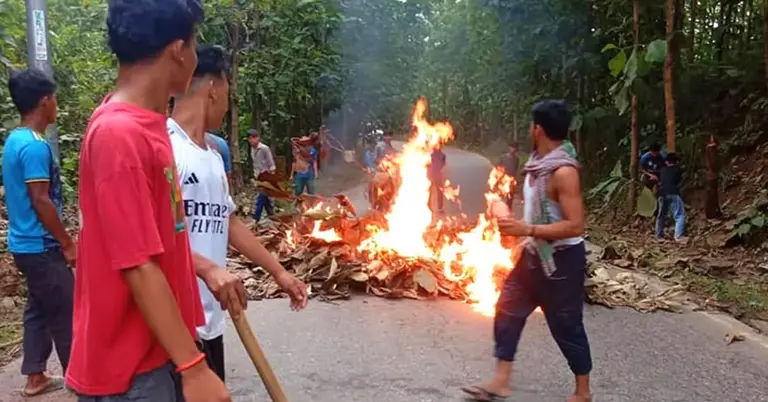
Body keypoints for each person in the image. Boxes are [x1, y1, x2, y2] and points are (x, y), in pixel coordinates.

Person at [67, 1, 244, 401]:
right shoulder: (119, 134)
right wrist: (195, 369)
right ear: (178, 49)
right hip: (129, 370)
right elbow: (137, 263)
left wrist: (204, 268)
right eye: (195, 45)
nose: (196, 56)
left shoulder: (151, 129)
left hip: (158, 351)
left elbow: (155, 239)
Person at [168, 44, 308, 381]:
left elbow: (228, 223)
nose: (229, 103)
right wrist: (206, 269)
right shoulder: (164, 147)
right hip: (174, 327)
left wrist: (280, 273)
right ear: (214, 87)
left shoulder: (214, 158)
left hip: (212, 320)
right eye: (229, 89)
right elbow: (150, 241)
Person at [462, 100, 591, 402]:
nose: (530, 130)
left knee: (567, 325)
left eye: (532, 125)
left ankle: (583, 392)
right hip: (534, 256)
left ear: (539, 129)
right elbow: (536, 212)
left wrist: (527, 230)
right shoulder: (536, 165)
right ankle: (501, 380)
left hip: (562, 262)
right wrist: (508, 215)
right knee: (506, 309)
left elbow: (575, 226)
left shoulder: (563, 172)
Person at [2, 68, 74, 397]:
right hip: (41, 245)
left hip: (24, 243)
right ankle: (80, 379)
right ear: (45, 101)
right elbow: (41, 200)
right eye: (55, 98)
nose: (56, 104)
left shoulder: (13, 140)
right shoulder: (34, 146)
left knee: (38, 307)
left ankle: (35, 376)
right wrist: (66, 241)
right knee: (64, 310)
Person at [656, 152, 685, 240]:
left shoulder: (662, 170)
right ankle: (678, 236)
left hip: (662, 193)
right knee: (679, 215)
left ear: (666, 162)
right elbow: (678, 181)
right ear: (676, 162)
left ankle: (658, 235)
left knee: (661, 215)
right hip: (673, 193)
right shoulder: (678, 170)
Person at [248, 129, 276, 221]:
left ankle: (256, 219)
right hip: (258, 177)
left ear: (258, 138)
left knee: (260, 199)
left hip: (266, 177)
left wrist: (272, 179)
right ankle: (272, 216)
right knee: (265, 200)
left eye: (253, 138)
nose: (251, 140)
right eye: (250, 138)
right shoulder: (252, 149)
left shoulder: (264, 148)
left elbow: (271, 164)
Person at [499, 142, 520, 209]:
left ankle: (508, 211)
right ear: (509, 148)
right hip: (503, 179)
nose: (513, 149)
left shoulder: (516, 159)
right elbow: (499, 168)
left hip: (511, 180)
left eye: (514, 148)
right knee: (501, 196)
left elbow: (515, 169)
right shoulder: (503, 157)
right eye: (512, 147)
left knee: (510, 197)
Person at [427, 143, 446, 214]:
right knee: (439, 192)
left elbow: (427, 165)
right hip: (438, 176)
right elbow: (443, 165)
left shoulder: (430, 155)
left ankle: (429, 206)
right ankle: (440, 208)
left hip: (431, 176)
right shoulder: (443, 156)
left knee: (430, 192)